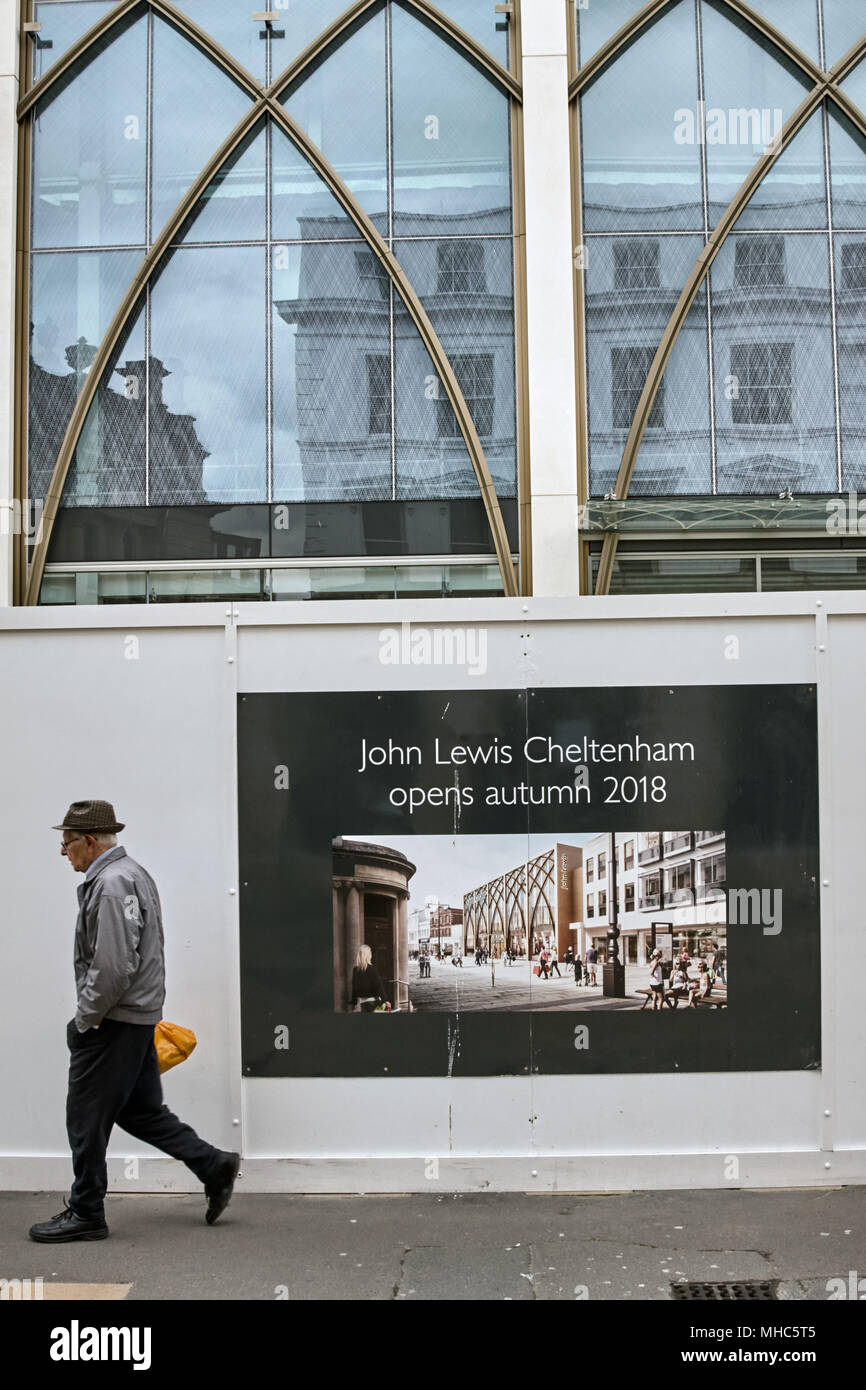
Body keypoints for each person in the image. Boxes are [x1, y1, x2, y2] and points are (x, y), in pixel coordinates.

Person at [29, 802, 239, 1244]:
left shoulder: (110, 884)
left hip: (112, 1020)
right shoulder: (131, 874)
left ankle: (87, 1211)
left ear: (89, 841)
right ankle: (212, 1163)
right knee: (140, 1111)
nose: (63, 852)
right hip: (135, 1017)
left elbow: (113, 966)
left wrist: (85, 1019)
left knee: (84, 1117)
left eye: (67, 843)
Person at [351, 943, 391, 1012]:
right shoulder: (372, 969)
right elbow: (378, 987)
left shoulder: (355, 970)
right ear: (368, 955)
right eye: (370, 953)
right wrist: (385, 1000)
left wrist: (354, 1002)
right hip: (373, 1003)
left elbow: (354, 987)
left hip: (362, 1004)